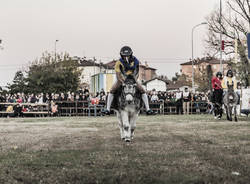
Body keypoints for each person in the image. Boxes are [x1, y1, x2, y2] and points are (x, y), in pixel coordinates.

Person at [104, 46, 154, 115]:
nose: (126, 57)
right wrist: (123, 82)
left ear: (130, 55)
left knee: (142, 90)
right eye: (124, 56)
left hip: (133, 78)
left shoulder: (136, 60)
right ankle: (108, 109)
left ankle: (148, 109)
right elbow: (118, 75)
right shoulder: (118, 63)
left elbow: (137, 72)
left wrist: (134, 81)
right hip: (122, 78)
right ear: (122, 55)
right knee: (112, 90)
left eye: (127, 55)